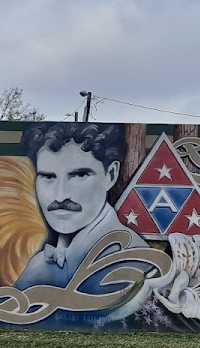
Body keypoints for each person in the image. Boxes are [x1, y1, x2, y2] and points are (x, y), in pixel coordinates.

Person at [13, 123, 149, 299]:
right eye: (48, 176)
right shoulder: (38, 267)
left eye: (79, 175)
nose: (60, 196)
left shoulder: (133, 262)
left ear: (111, 175)